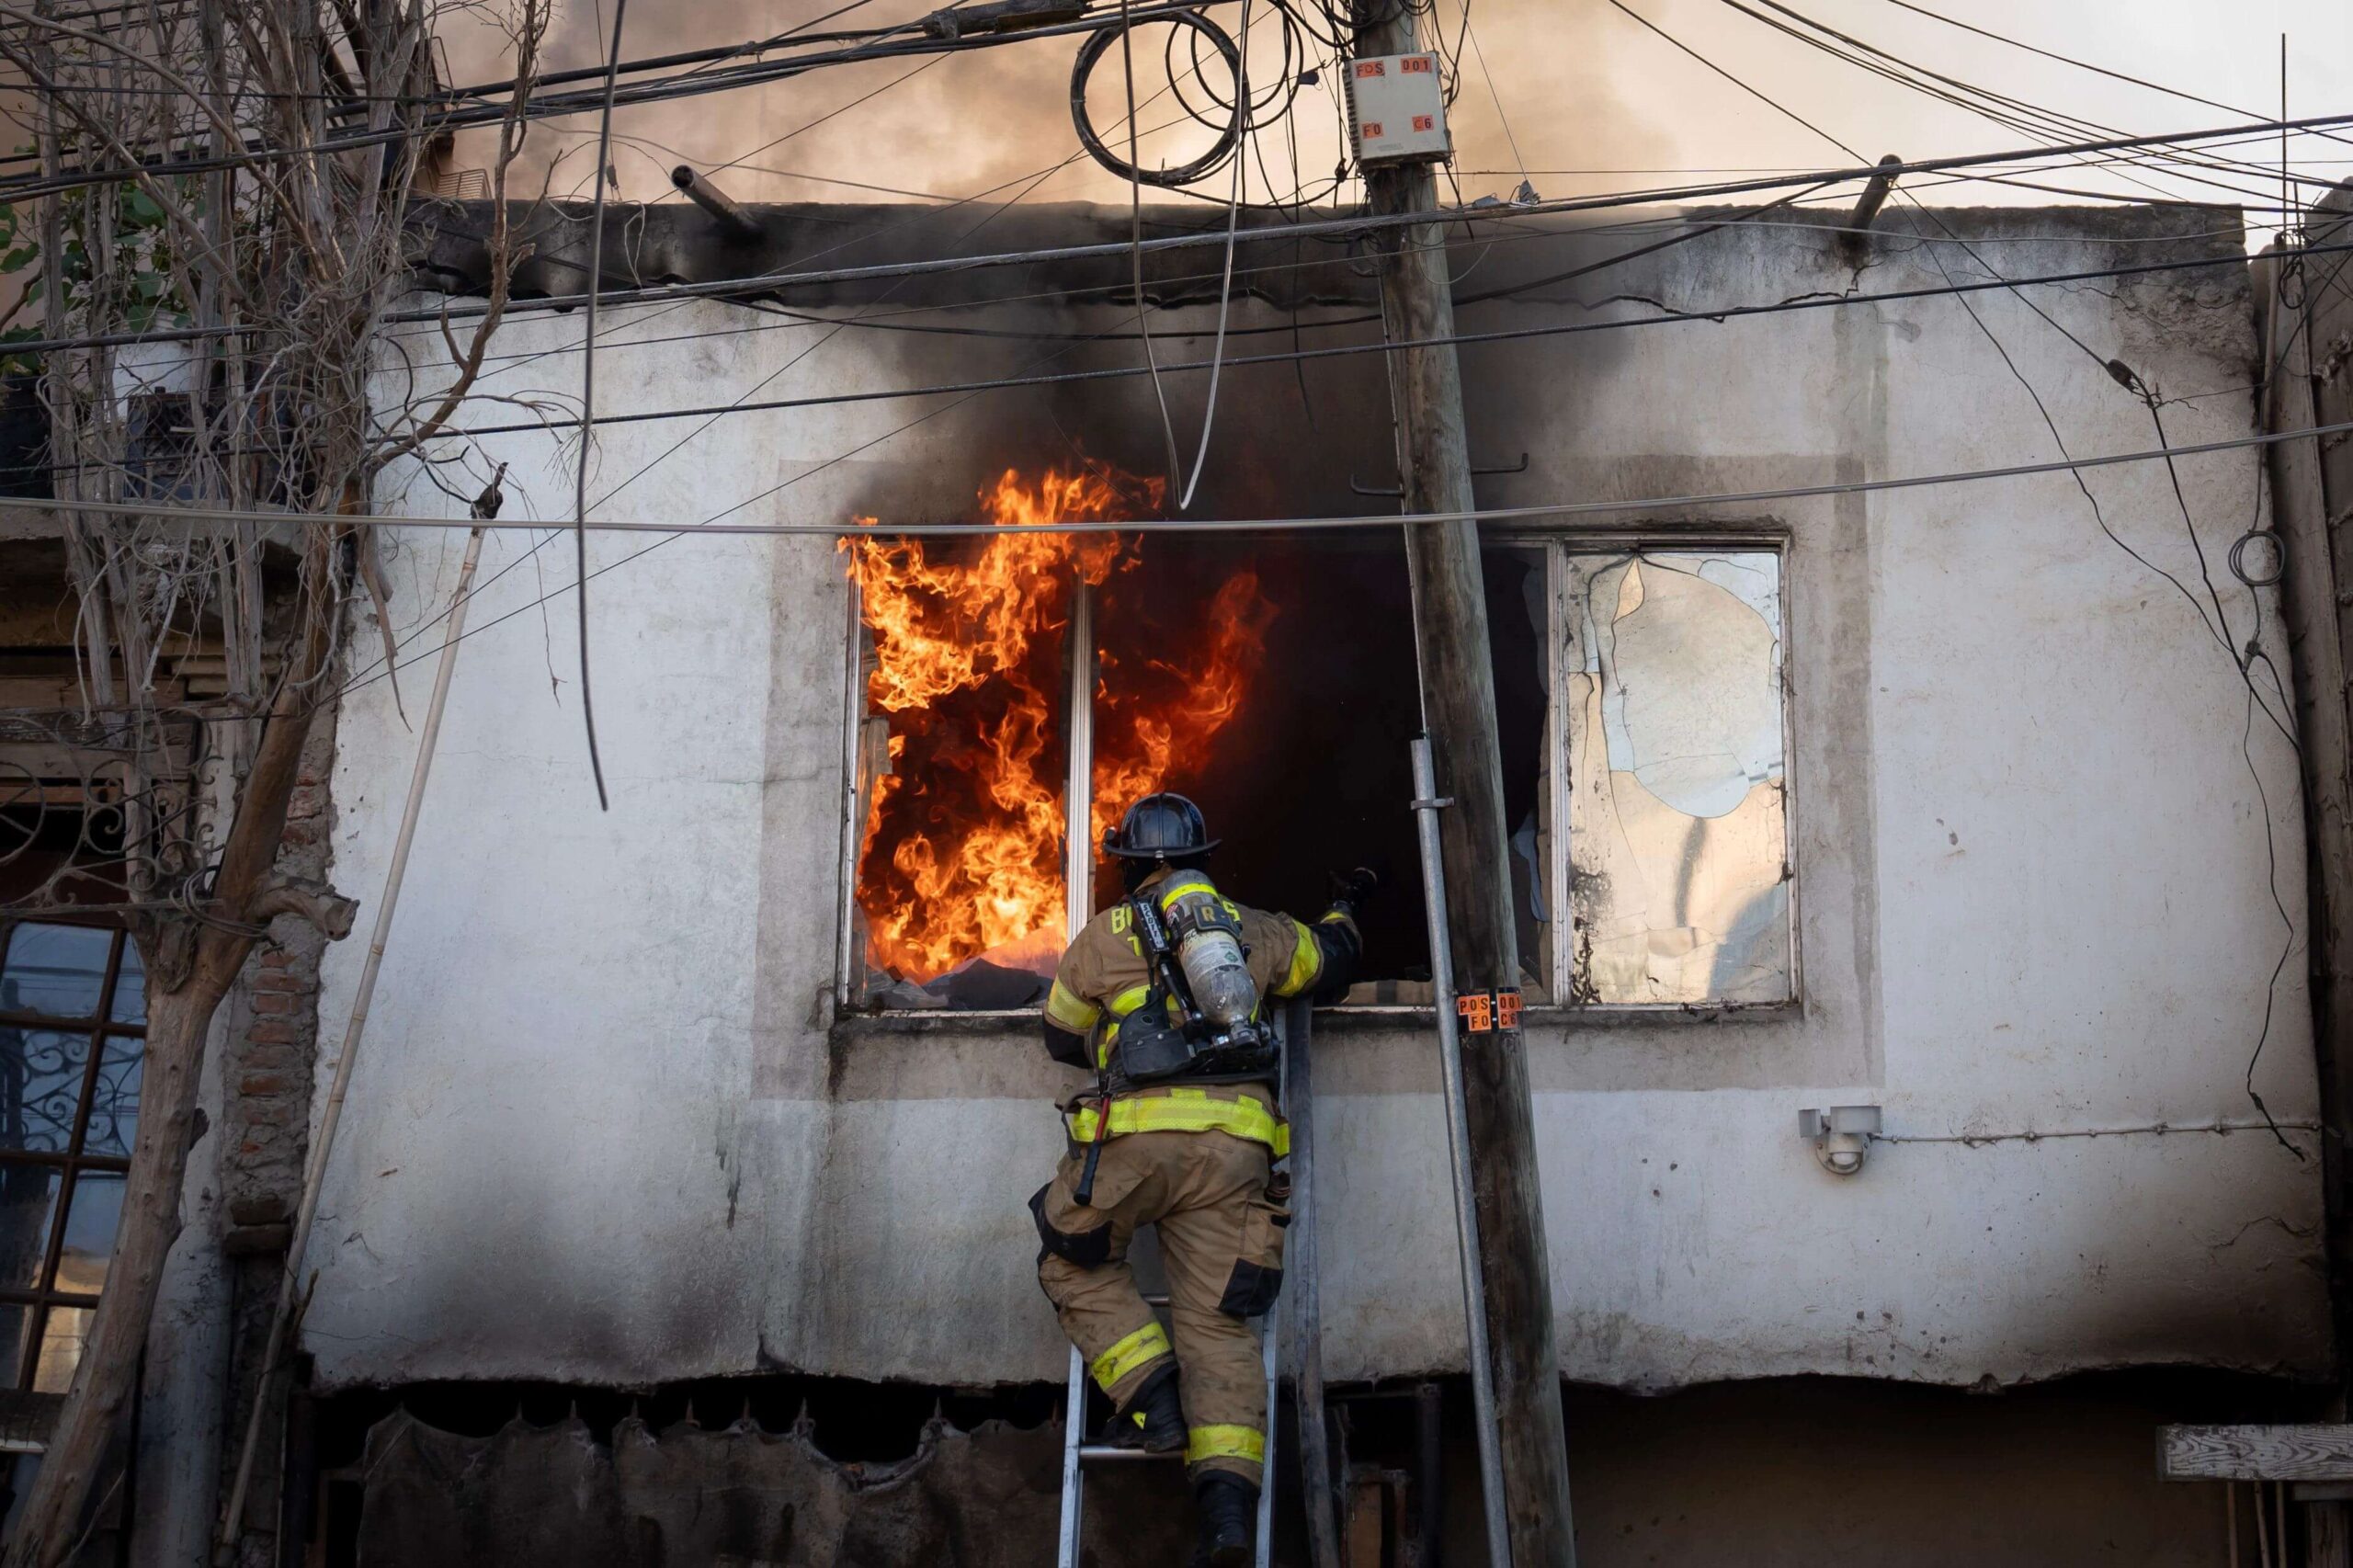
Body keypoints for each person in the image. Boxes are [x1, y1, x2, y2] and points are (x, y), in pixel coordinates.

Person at [1029, 792, 1373, 1567]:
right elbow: (1332, 962)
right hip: (1237, 1151)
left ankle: (1153, 1399)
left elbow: (1058, 1035)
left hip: (1133, 1149)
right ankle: (1224, 1526)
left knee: (1069, 1255)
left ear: (1126, 868)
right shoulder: (1249, 930)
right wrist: (1345, 910)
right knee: (1219, 1324)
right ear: (1201, 858)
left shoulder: (1098, 937)